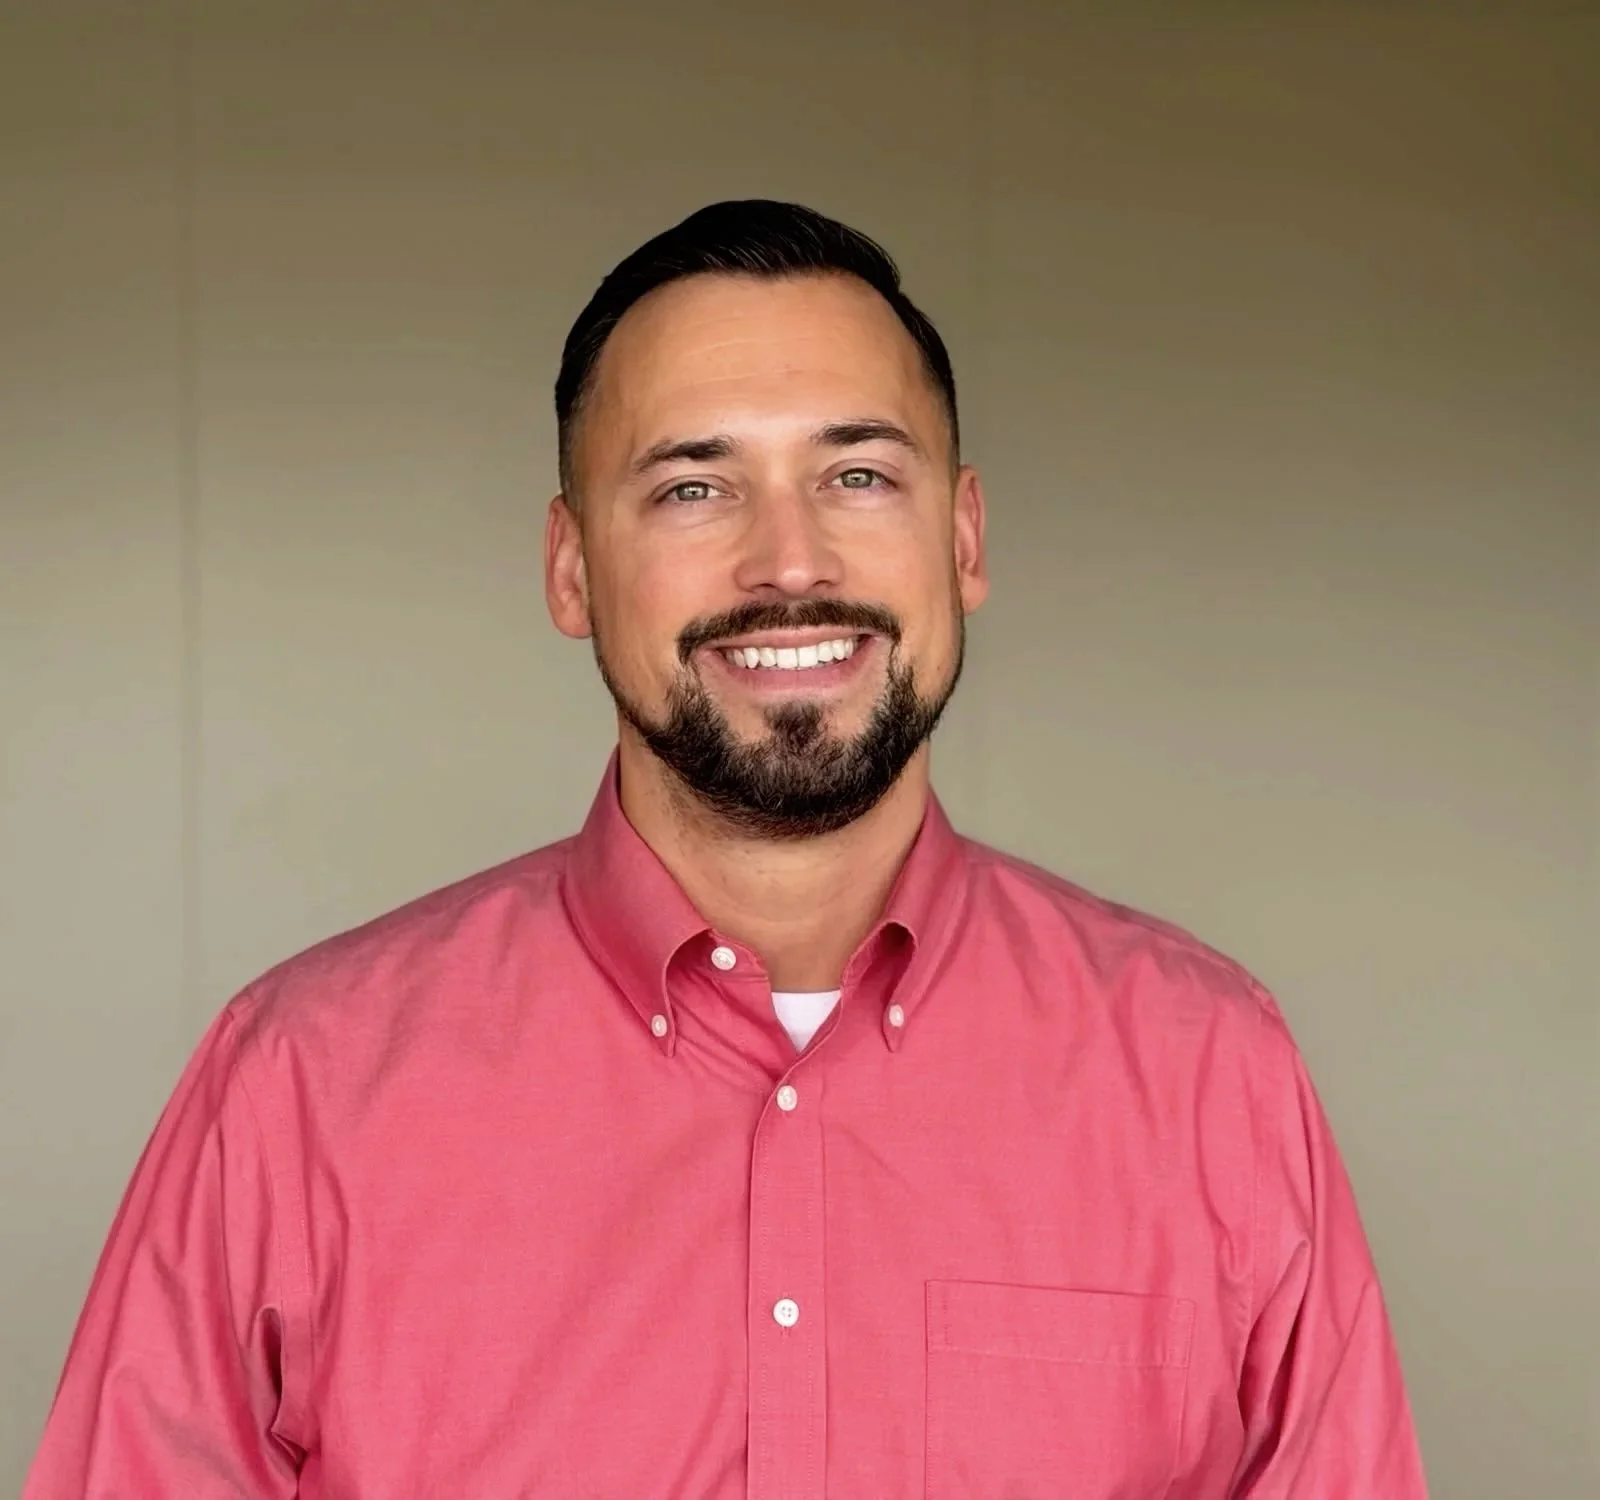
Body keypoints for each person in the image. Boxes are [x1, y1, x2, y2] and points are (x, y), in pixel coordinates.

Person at [24, 200, 1429, 1498]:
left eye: (860, 475)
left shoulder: (1208, 1074)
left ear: (965, 535)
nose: (792, 560)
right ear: (572, 569)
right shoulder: (298, 1090)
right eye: (696, 489)